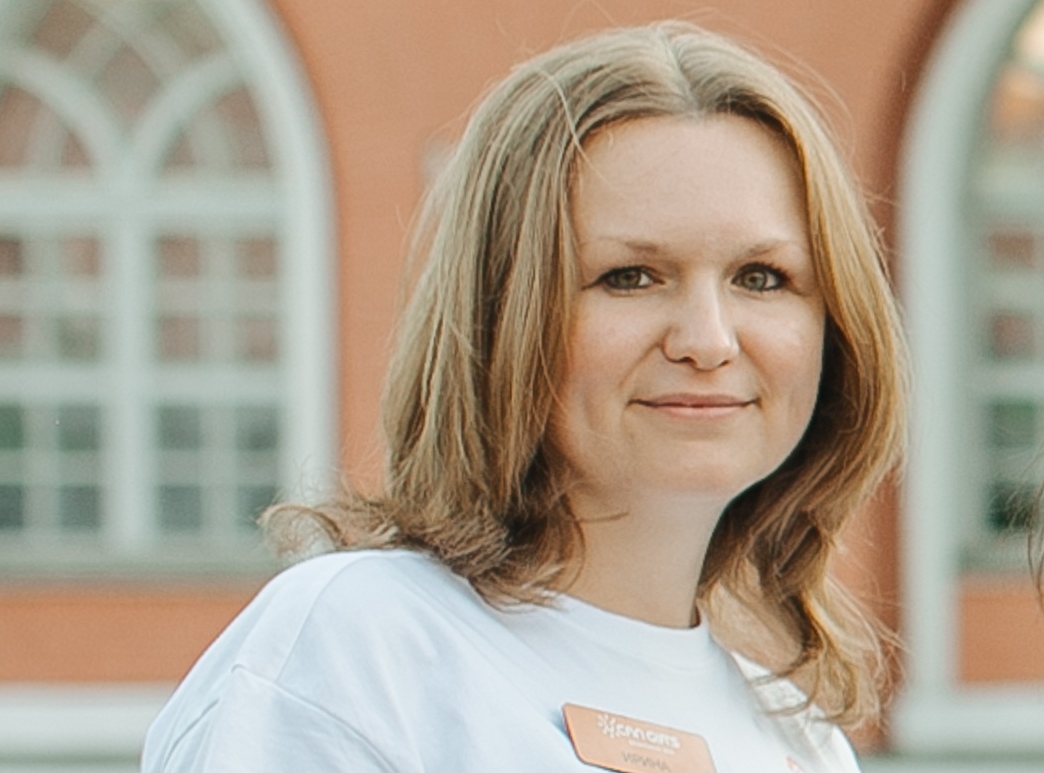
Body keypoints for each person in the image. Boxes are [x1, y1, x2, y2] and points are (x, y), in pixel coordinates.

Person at [142, 20, 907, 773]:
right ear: (501, 313)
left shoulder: (801, 741)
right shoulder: (355, 655)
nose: (708, 340)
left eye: (761, 278)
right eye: (630, 277)